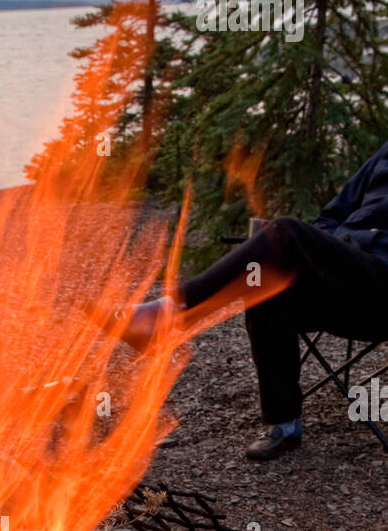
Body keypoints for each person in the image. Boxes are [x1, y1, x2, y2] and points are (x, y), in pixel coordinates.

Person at [122, 141, 388, 460]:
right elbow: (332, 214)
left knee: (286, 231)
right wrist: (335, 247)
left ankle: (172, 313)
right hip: (344, 272)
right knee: (263, 279)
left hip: (382, 288)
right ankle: (284, 422)